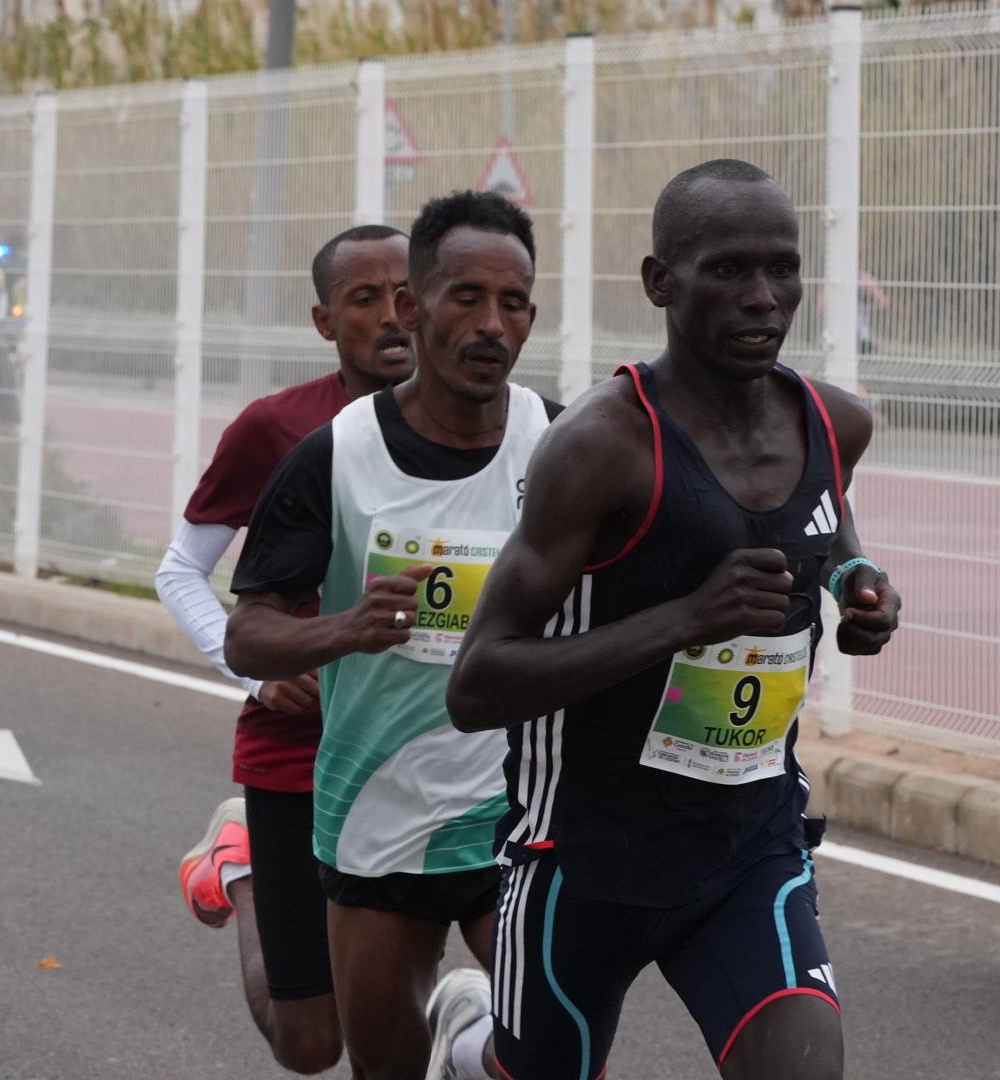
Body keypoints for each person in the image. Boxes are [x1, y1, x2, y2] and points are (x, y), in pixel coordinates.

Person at [447, 159, 901, 1080]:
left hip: (747, 845)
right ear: (661, 282)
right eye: (728, 271)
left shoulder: (833, 423)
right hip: (583, 856)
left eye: (783, 269)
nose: (764, 298)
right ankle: (464, 1046)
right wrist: (683, 620)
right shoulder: (600, 447)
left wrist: (856, 580)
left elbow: (828, 522)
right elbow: (478, 680)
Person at [224, 190, 559, 1080]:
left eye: (514, 303)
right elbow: (247, 635)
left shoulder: (559, 442)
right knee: (363, 1061)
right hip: (378, 812)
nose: (492, 324)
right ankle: (242, 867)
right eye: (465, 298)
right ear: (415, 308)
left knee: (559, 1052)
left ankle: (467, 1032)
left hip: (518, 812)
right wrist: (345, 630)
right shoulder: (335, 454)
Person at [164, 224, 413, 1074]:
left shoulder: (491, 425)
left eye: (408, 294)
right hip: (299, 748)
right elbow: (181, 571)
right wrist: (255, 672)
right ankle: (240, 873)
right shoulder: (276, 429)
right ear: (323, 321)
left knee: (426, 985)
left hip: (430, 750)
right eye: (365, 299)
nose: (393, 317)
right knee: (311, 1045)